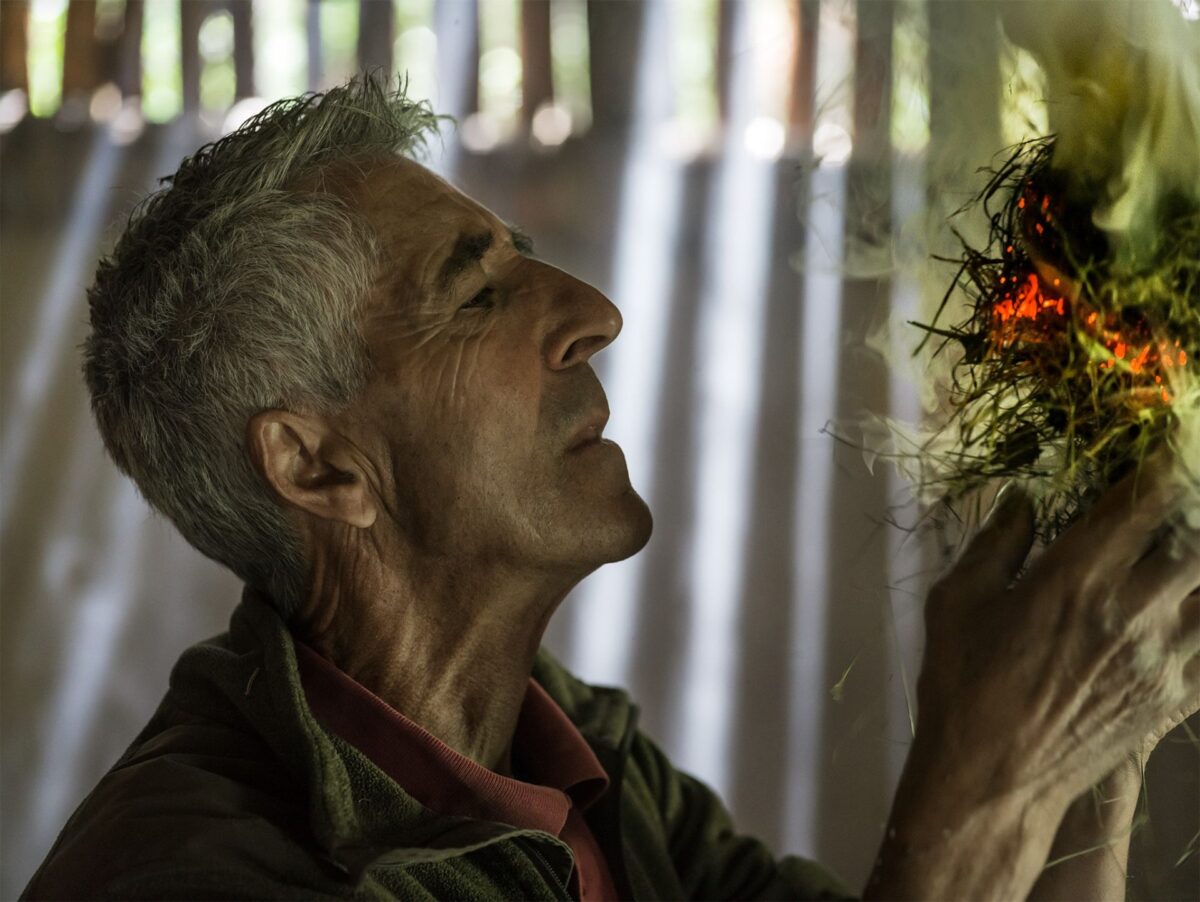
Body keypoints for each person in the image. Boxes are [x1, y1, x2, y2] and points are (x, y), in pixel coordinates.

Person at [23, 75, 1199, 901]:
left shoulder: (573, 760)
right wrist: (978, 788)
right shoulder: (199, 870)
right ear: (317, 464)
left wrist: (1093, 732)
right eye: (477, 293)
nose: (594, 313)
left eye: (522, 254)